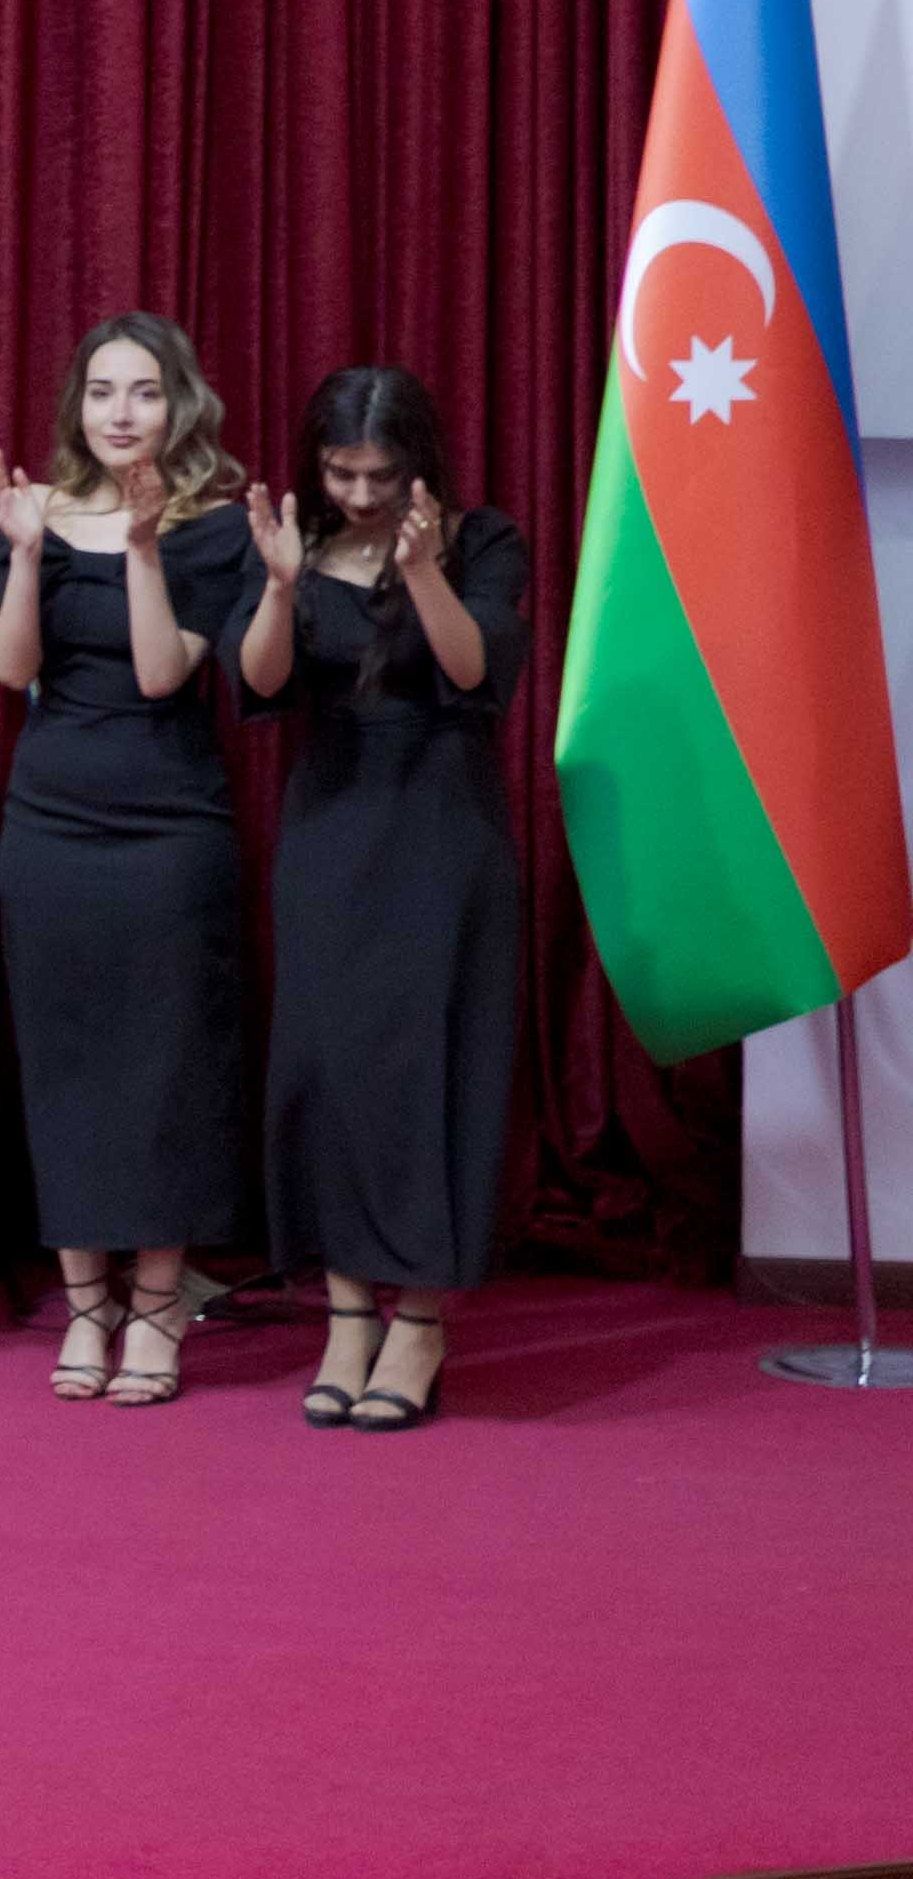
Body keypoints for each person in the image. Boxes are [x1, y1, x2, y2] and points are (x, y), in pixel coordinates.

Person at [0, 313, 262, 1409]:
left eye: (143, 392)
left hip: (167, 830)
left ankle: (156, 1307)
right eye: (101, 392)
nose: (121, 413)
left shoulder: (216, 530)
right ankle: (84, 1306)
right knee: (67, 1067)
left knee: (164, 1068)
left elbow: (160, 674)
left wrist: (142, 548)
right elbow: (12, 671)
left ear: (180, 405)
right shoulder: (39, 512)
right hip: (50, 826)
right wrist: (24, 554)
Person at [239, 368, 523, 1430]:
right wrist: (279, 588)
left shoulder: (483, 541)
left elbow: (473, 671)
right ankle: (347, 1313)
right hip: (330, 825)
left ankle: (422, 1320)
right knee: (324, 1067)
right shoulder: (291, 542)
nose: (360, 494)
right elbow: (261, 683)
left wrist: (422, 570)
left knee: (429, 1068)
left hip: (443, 829)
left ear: (419, 466)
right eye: (340, 471)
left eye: (381, 475)